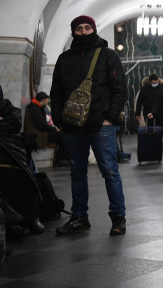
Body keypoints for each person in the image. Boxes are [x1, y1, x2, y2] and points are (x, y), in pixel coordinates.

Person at [50, 15, 128, 236]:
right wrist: (59, 121)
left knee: (110, 171)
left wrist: (110, 118)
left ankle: (118, 217)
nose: (83, 32)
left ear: (94, 29)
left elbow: (120, 89)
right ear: (73, 32)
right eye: (79, 29)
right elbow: (56, 92)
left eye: (87, 28)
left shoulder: (107, 56)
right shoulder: (64, 59)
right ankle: (79, 218)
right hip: (72, 127)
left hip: (101, 125)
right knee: (77, 173)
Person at [0, 75, 44, 235]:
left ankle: (31, 217)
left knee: (22, 175)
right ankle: (8, 222)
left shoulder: (4, 104)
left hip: (8, 151)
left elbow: (15, 121)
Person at [24, 91, 69, 167]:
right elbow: (42, 125)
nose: (48, 101)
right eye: (47, 99)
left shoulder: (36, 107)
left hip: (40, 132)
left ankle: (62, 159)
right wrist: (54, 129)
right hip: (38, 135)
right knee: (63, 136)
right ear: (43, 100)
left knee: (63, 135)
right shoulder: (35, 108)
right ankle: (61, 160)